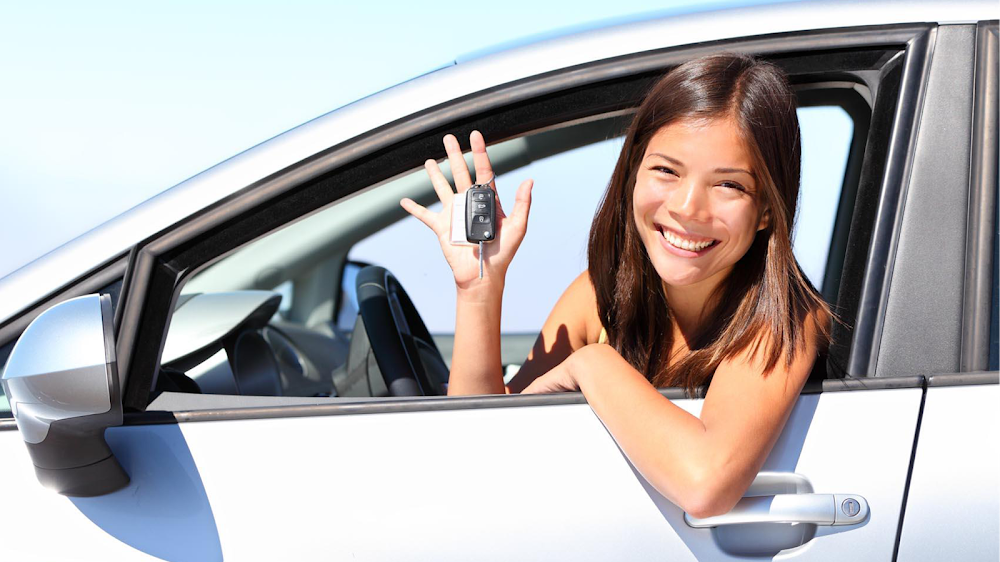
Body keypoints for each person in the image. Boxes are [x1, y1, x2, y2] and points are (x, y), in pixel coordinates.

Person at [399, 53, 831, 519]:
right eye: (666, 171)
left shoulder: (787, 319)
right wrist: (479, 289)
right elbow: (480, 446)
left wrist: (592, 363)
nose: (688, 208)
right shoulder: (600, 296)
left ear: (767, 209)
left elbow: (706, 484)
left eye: (728, 185)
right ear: (632, 175)